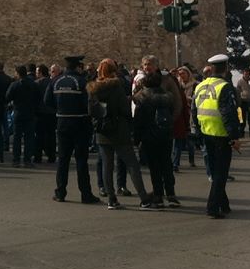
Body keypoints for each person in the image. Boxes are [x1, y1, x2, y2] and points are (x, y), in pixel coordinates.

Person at [87, 58, 155, 209]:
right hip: (119, 129)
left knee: (107, 165)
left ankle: (112, 199)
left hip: (102, 131)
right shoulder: (116, 86)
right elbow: (124, 109)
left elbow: (91, 111)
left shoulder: (94, 89)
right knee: (131, 163)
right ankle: (144, 198)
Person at [44, 55, 101, 204]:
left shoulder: (55, 81)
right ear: (78, 67)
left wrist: (60, 110)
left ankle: (60, 192)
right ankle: (86, 194)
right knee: (82, 160)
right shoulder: (83, 82)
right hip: (80, 123)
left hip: (62, 122)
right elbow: (89, 104)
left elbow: (47, 101)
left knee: (63, 160)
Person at [192, 54, 241, 219]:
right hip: (221, 134)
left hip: (206, 133)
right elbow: (229, 113)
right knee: (221, 173)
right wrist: (234, 137)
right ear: (226, 68)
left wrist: (197, 132)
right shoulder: (225, 87)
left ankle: (224, 204)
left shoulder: (200, 86)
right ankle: (212, 207)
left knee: (215, 171)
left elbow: (194, 110)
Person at [133, 70, 181, 207]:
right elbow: (173, 113)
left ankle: (158, 195)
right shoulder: (168, 97)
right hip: (166, 135)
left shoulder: (142, 97)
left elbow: (138, 120)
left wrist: (136, 139)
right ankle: (171, 194)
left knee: (154, 167)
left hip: (149, 135)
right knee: (167, 164)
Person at [6, 64, 40, 167]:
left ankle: (16, 159)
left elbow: (7, 97)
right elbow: (39, 98)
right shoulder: (33, 84)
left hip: (18, 113)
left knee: (17, 137)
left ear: (17, 73)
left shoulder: (15, 85)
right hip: (30, 113)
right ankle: (27, 160)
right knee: (29, 138)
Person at [34, 64, 56, 163]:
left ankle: (38, 156)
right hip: (51, 112)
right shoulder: (53, 82)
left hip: (40, 112)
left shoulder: (37, 83)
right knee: (51, 135)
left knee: (39, 136)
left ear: (41, 72)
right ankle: (51, 156)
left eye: (37, 72)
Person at [235, 68, 250, 138]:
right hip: (242, 102)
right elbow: (237, 92)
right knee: (241, 118)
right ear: (243, 74)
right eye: (246, 74)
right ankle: (241, 133)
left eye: (248, 74)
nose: (247, 75)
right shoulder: (239, 82)